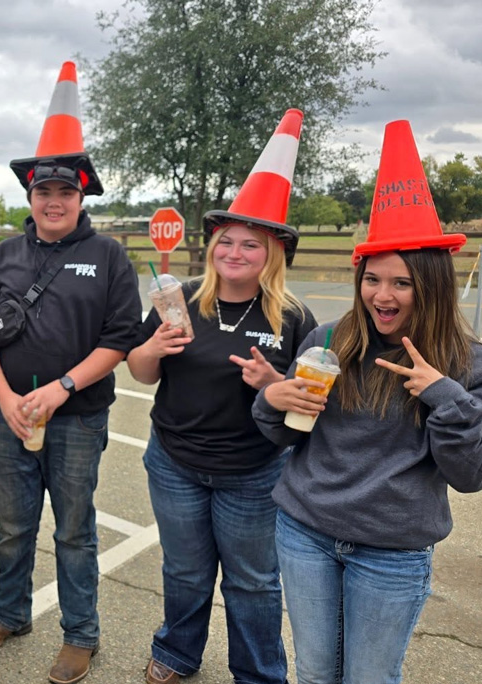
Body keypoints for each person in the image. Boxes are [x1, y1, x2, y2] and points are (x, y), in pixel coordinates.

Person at [252, 120, 482, 684]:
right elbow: (286, 433)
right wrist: (272, 400)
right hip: (306, 533)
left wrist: (443, 396)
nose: (382, 295)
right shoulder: (329, 341)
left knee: (370, 678)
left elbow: (470, 476)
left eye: (401, 282)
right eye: (372, 279)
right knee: (314, 673)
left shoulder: (469, 364)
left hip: (392, 552)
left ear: (431, 285)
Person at [0, 61, 142, 684]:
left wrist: (63, 389)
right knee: (13, 528)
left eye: (66, 191)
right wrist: (8, 397)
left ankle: (80, 634)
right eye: (44, 191)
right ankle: (11, 615)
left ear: (81, 196)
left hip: (78, 419)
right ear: (30, 197)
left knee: (73, 532)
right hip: (9, 415)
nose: (54, 201)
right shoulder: (5, 255)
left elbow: (121, 338)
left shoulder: (108, 255)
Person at [127, 109, 315, 684]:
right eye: (225, 241)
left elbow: (308, 405)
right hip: (175, 462)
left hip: (253, 471)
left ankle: (258, 673)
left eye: (250, 245)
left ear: (272, 253)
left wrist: (273, 386)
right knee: (184, 570)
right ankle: (178, 652)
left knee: (252, 582)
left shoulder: (292, 318)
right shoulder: (179, 299)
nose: (234, 252)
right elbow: (141, 374)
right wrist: (153, 346)